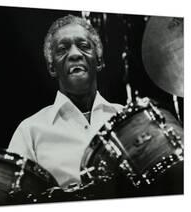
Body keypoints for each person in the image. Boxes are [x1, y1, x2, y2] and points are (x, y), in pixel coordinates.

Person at [8, 15, 123, 188]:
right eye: (62, 49)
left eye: (84, 46)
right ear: (52, 67)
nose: (75, 54)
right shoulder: (29, 131)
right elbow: (12, 194)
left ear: (99, 61)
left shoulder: (125, 118)